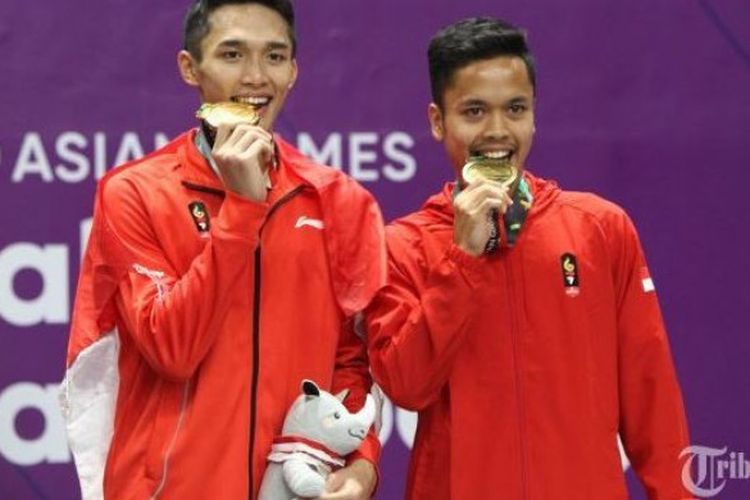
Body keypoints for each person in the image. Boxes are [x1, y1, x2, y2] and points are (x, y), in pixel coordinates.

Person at [60, 1, 384, 499]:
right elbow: (172, 348)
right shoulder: (132, 192)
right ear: (191, 68)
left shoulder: (340, 201)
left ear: (294, 71)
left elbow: (352, 363)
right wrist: (243, 207)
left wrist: (361, 464)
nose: (255, 77)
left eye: (274, 57)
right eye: (232, 54)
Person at [365, 17, 691, 499]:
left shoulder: (600, 229)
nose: (498, 131)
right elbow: (407, 387)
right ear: (438, 121)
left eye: (514, 109)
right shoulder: (402, 246)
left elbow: (652, 399)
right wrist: (463, 258)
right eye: (474, 111)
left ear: (534, 114)